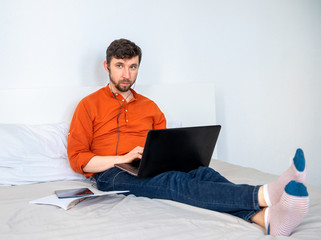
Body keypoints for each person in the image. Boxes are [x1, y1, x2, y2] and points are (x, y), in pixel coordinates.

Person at [67, 38, 309, 236]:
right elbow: (79, 159)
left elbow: (162, 146)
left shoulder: (150, 107)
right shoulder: (88, 105)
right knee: (174, 181)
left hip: (148, 164)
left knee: (203, 173)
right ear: (106, 66)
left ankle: (265, 218)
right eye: (119, 65)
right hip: (112, 173)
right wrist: (123, 157)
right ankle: (264, 194)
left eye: (133, 66)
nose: (126, 74)